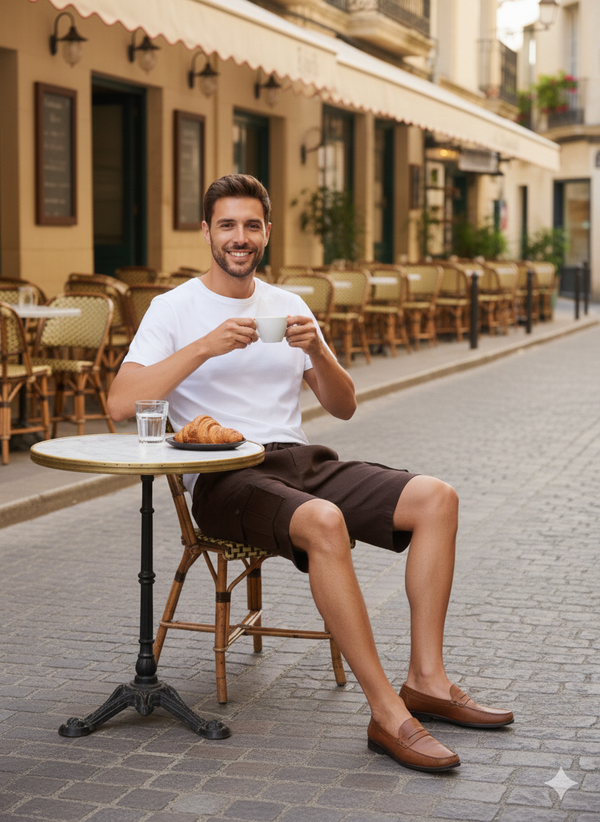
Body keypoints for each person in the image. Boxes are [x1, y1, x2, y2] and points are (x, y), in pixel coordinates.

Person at [108, 174, 513, 773]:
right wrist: (205, 347)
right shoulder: (174, 309)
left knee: (437, 499)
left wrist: (319, 349)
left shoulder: (289, 305)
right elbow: (120, 405)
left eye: (251, 225)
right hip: (223, 476)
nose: (239, 238)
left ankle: (427, 679)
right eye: (227, 225)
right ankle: (387, 715)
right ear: (206, 232)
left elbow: (344, 405)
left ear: (267, 233)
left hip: (300, 461)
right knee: (324, 522)